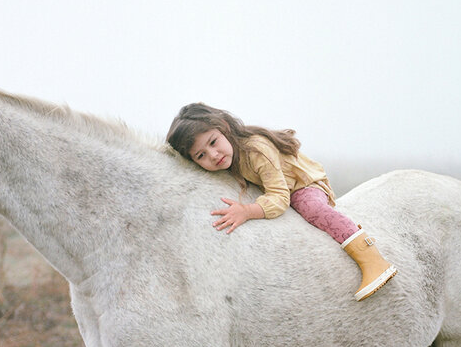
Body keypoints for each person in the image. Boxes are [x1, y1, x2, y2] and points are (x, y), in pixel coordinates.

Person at [166, 103, 397, 301]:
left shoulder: (256, 149)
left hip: (301, 184)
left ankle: (372, 259)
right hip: (280, 190)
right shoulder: (228, 161)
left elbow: (279, 196)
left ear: (223, 128)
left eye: (213, 142)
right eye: (201, 155)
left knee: (312, 209)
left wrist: (247, 211)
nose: (213, 155)